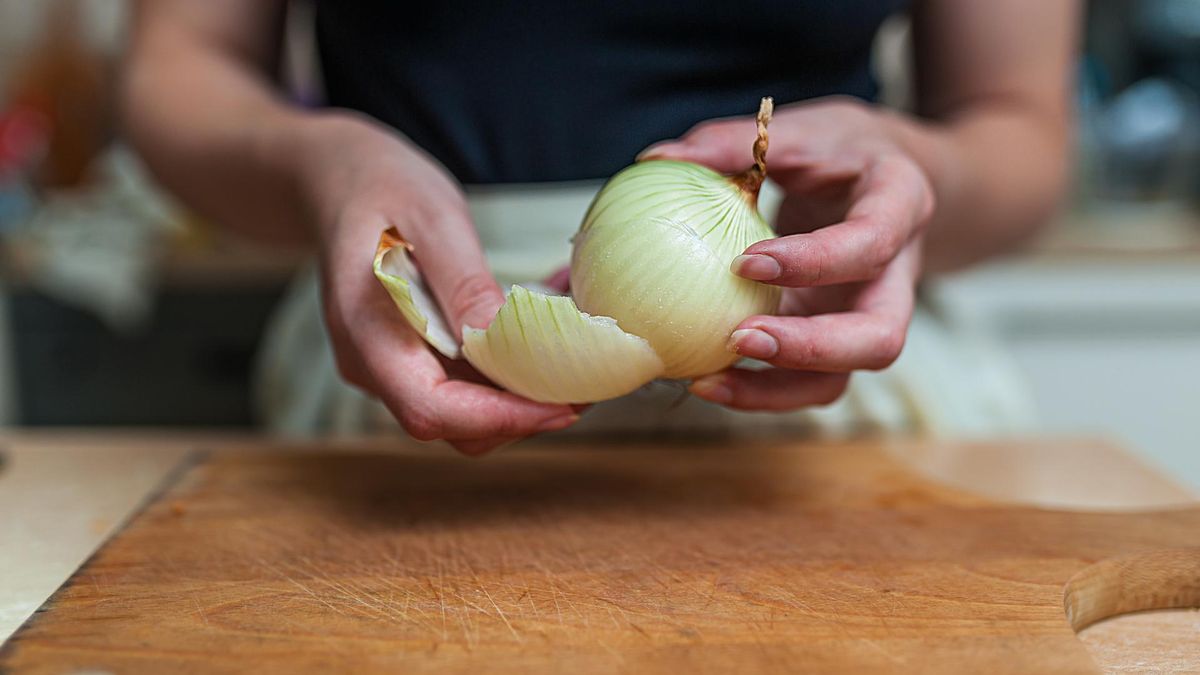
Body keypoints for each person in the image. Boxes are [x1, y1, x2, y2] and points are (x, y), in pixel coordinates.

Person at [122, 1, 1077, 454]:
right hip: (412, 345)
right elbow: (178, 67)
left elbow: (1021, 125)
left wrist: (915, 182)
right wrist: (317, 165)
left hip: (824, 371)